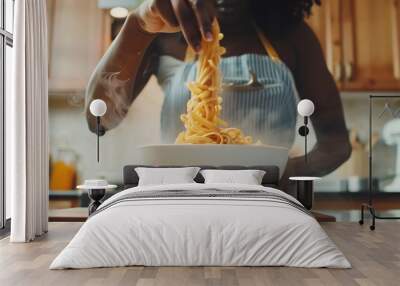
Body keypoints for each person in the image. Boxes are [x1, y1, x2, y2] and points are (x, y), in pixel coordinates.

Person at [85, 0, 351, 189]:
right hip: (181, 199)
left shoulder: (291, 35)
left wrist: (279, 170)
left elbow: (336, 145)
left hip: (271, 199)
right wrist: (138, 25)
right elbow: (100, 120)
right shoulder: (162, 35)